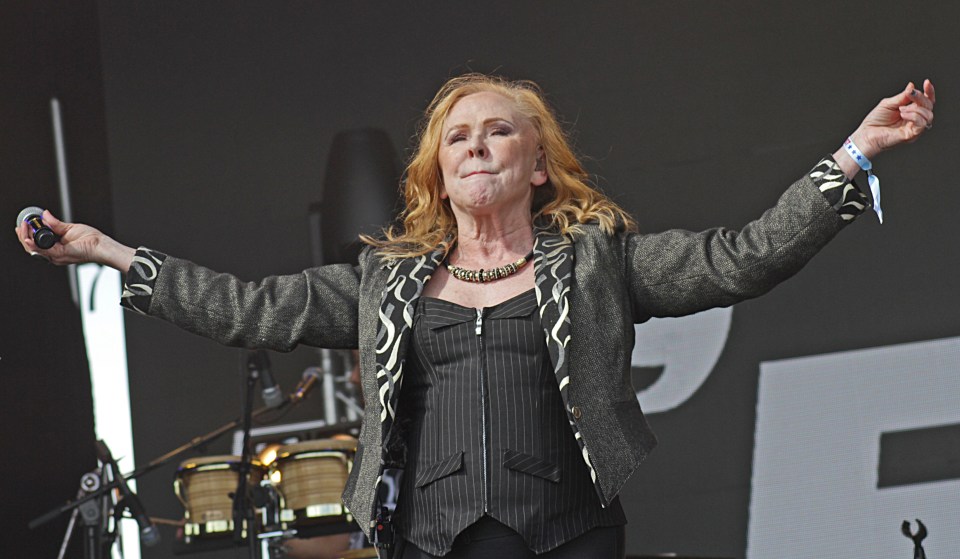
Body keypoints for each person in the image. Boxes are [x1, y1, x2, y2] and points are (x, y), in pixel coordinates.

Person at [17, 74, 935, 559]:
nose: (478, 144)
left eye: (499, 130)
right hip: (430, 537)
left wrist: (855, 154)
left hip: (571, 530)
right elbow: (251, 309)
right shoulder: (389, 282)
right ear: (438, 173)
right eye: (458, 135)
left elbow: (742, 256)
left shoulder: (593, 261)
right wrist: (109, 253)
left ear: (537, 164)